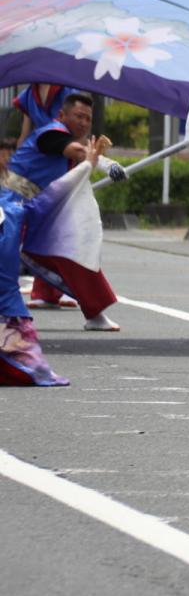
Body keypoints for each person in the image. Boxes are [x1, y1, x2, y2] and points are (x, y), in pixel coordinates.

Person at [4, 92, 125, 330]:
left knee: (71, 253)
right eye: (78, 116)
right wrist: (105, 164)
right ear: (62, 115)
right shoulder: (50, 133)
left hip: (33, 210)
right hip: (8, 205)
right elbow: (78, 153)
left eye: (88, 119)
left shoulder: (67, 140)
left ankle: (94, 313)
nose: (83, 122)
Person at [0, 134, 107, 386]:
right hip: (9, 312)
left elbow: (55, 196)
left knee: (29, 368)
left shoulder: (15, 210)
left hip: (8, 312)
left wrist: (86, 167)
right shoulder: (16, 211)